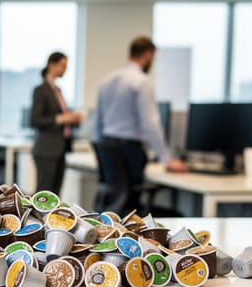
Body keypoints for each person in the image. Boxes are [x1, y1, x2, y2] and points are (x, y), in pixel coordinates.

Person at [93, 36, 188, 212]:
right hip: (130, 152)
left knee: (118, 201)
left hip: (108, 148)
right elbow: (150, 123)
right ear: (148, 55)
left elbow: (97, 123)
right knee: (130, 204)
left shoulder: (106, 81)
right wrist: (166, 159)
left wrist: (100, 152)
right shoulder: (142, 81)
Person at [30, 52, 83, 194]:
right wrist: (61, 119)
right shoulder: (41, 90)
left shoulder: (57, 90)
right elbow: (34, 119)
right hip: (46, 149)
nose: (65, 70)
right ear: (51, 65)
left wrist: (72, 119)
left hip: (60, 148)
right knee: (44, 194)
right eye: (63, 66)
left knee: (55, 194)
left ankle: (52, 217)